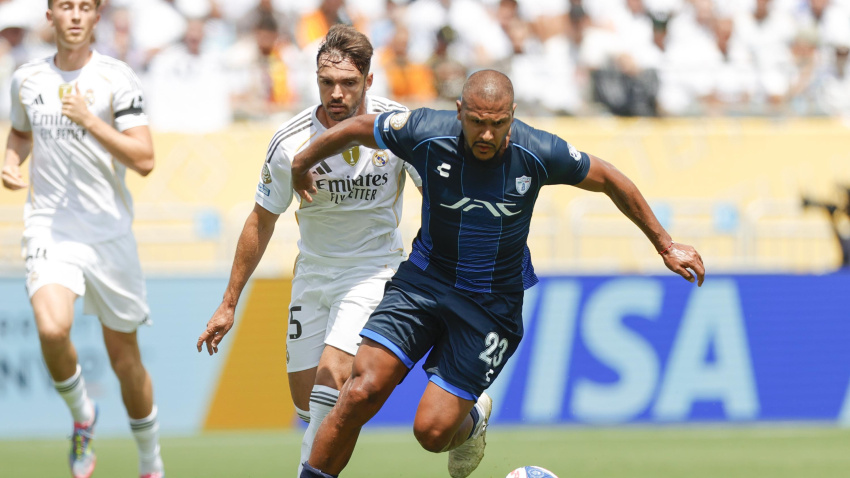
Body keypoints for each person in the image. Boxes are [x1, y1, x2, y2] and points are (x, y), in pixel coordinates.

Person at [290, 69, 706, 478]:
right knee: (360, 391)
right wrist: (302, 162)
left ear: (512, 115)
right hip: (423, 283)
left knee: (431, 433)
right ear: (459, 112)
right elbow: (360, 127)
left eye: (497, 124)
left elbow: (610, 178)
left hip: (491, 307)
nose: (486, 135)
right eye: (476, 123)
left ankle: (472, 421)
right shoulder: (425, 130)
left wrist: (665, 245)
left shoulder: (539, 152)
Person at [196, 24, 421, 476]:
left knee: (331, 378)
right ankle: (467, 418)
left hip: (374, 270)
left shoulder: (399, 129)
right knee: (308, 403)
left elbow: (437, 194)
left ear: (370, 81)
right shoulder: (290, 142)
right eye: (326, 82)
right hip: (314, 276)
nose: (336, 93)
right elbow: (262, 219)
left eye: (349, 83)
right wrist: (228, 303)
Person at [1, 1, 164, 478]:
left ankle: (151, 462)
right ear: (49, 16)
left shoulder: (118, 78)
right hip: (50, 225)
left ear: (97, 18)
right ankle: (82, 415)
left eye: (85, 7)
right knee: (52, 329)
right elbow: (19, 132)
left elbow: (146, 159)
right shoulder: (26, 78)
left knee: (124, 360)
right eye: (65, 6)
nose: (75, 15)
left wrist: (89, 119)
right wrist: (12, 162)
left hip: (109, 233)